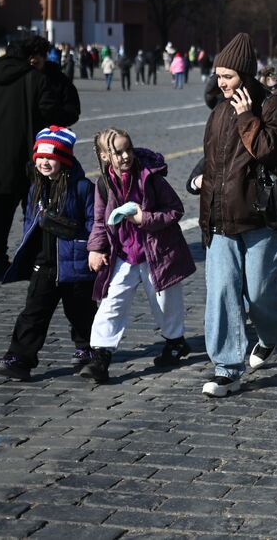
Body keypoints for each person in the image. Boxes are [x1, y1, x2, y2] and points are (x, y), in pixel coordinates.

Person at [192, 33, 277, 398]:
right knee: (221, 292)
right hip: (221, 219)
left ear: (246, 76)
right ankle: (226, 367)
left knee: (262, 291)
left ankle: (270, 335)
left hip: (260, 219)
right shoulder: (218, 111)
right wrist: (196, 180)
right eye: (218, 76)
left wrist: (247, 116)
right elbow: (213, 159)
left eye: (228, 76)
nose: (221, 83)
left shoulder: (270, 107)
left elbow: (271, 152)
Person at [83, 128, 196, 384]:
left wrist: (145, 219)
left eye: (128, 150)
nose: (125, 156)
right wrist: (96, 248)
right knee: (112, 303)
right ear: (103, 156)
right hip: (123, 254)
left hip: (156, 252)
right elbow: (100, 220)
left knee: (166, 302)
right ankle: (100, 356)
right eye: (118, 152)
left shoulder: (150, 177)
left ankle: (175, 342)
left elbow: (175, 210)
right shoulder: (104, 183)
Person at [0, 35, 81, 278]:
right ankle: (31, 258)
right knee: (34, 208)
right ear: (33, 58)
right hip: (31, 156)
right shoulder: (35, 79)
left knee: (0, 209)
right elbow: (52, 112)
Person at [0, 127, 96, 381]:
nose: (45, 162)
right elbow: (29, 221)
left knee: (81, 313)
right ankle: (20, 357)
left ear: (64, 159)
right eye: (40, 157)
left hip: (74, 264)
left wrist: (93, 250)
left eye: (52, 157)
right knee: (33, 313)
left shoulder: (82, 187)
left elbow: (96, 222)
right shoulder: (35, 188)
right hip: (44, 265)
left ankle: (89, 351)